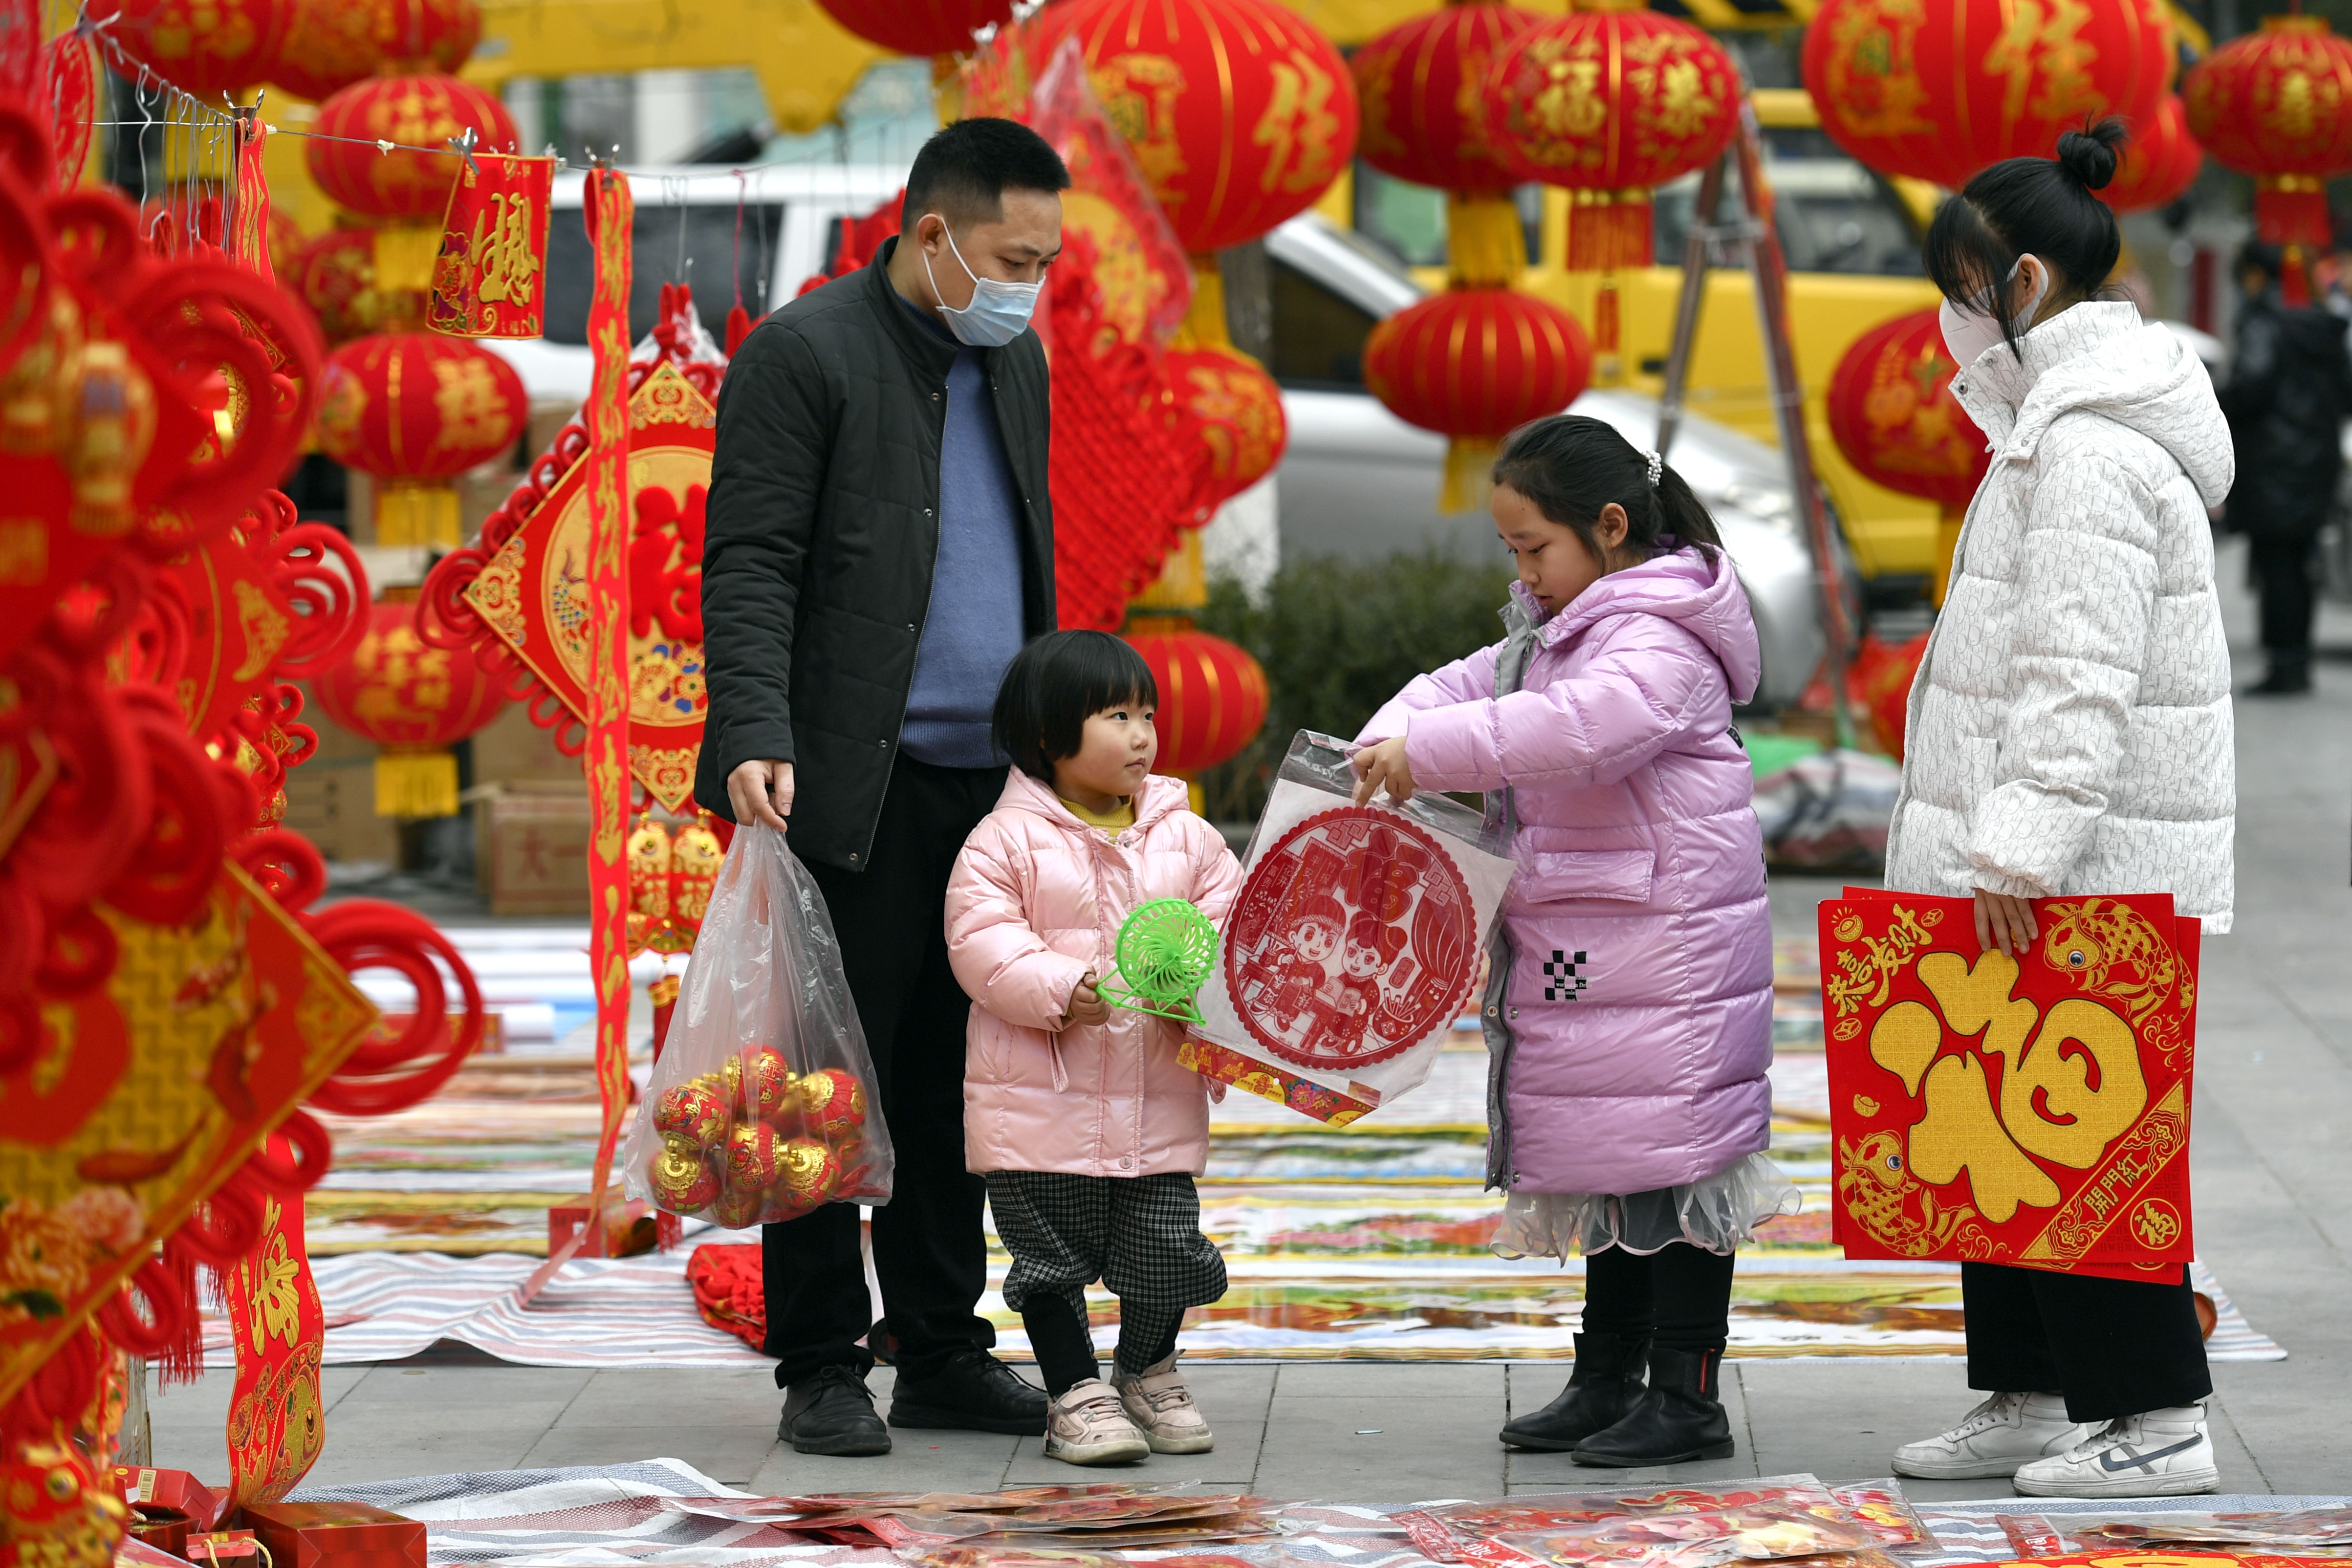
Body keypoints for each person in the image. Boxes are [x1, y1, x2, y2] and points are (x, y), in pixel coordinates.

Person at [696, 117, 1069, 1457]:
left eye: (1045, 260)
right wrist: (752, 725)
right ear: (930, 236)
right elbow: (746, 561)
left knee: (955, 1078)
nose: (1031, 284)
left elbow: (1021, 548)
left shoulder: (1012, 356)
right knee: (819, 1080)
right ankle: (818, 1361)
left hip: (994, 780)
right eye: (1013, 256)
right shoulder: (804, 355)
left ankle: (943, 1345)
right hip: (846, 780)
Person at [1886, 120, 2233, 1497]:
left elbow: (2074, 675)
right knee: (1987, 1120)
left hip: (2070, 857)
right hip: (2028, 851)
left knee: (2077, 1136)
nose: (1951, 320)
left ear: (2018, 282)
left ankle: (2155, 1426)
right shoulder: (2050, 428)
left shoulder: (2086, 449)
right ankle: (2029, 1395)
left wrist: (2019, 838)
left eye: (1963, 290)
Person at [1349, 415, 1790, 1468]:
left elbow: (1581, 730)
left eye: (1533, 549)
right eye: (1511, 552)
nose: (1524, 572)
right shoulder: (1568, 627)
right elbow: (1469, 686)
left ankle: (1685, 1391)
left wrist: (1429, 753)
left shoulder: (1663, 634)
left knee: (1675, 1164)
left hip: (1667, 952)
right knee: (1608, 1154)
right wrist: (1386, 737)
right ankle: (1608, 1374)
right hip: (1599, 936)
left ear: (1608, 526)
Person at [943, 631, 1243, 1465]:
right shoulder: (1002, 841)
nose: (1141, 733)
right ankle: (1073, 1392)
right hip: (1039, 1100)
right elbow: (981, 940)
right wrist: (1056, 986)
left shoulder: (1190, 840)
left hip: (1156, 1094)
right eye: (1116, 714)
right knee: (1050, 1260)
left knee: (1167, 1246)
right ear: (1048, 733)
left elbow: (1229, 926)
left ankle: (1147, 1368)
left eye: (1146, 713)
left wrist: (1203, 985)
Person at [2217, 241, 2352, 696]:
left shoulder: (2264, 320)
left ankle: (2284, 665)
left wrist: (2217, 402)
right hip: (2316, 460)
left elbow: (2251, 383)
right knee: (2298, 563)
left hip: (2273, 461)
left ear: (2255, 273)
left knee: (2278, 566)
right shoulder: (2323, 323)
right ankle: (2296, 659)